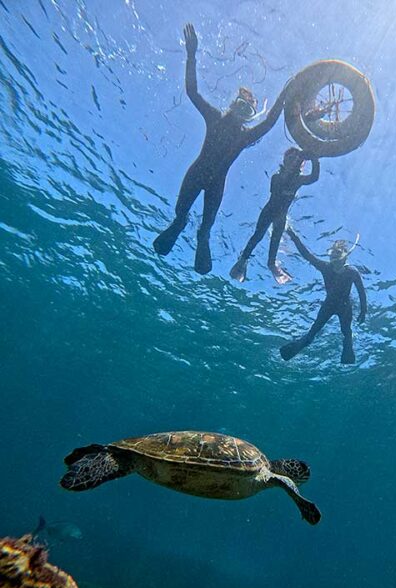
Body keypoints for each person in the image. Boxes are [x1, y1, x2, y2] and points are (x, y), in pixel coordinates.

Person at [153, 23, 289, 274]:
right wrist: (191, 55)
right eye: (240, 104)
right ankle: (180, 224)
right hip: (198, 175)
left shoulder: (245, 135)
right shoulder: (215, 118)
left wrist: (286, 93)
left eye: (248, 110)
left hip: (215, 184)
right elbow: (192, 92)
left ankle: (201, 237)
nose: (242, 111)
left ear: (249, 116)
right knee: (180, 215)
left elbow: (269, 122)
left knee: (206, 227)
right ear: (232, 104)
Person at [230, 147, 320, 284]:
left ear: (301, 164)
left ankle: (271, 263)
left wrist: (314, 158)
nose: (293, 160)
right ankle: (243, 259)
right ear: (284, 161)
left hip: (281, 215)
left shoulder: (298, 180)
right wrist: (300, 159)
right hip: (269, 211)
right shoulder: (276, 177)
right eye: (290, 158)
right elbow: (281, 185)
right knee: (258, 235)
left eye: (296, 158)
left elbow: (314, 177)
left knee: (276, 240)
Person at [280, 227, 367, 364]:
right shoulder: (325, 267)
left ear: (346, 257)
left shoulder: (352, 272)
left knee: (347, 333)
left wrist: (363, 309)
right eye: (332, 254)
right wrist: (292, 234)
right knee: (312, 333)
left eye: (338, 253)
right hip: (329, 305)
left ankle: (347, 350)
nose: (334, 257)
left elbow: (361, 291)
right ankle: (301, 344)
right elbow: (306, 254)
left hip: (345, 307)